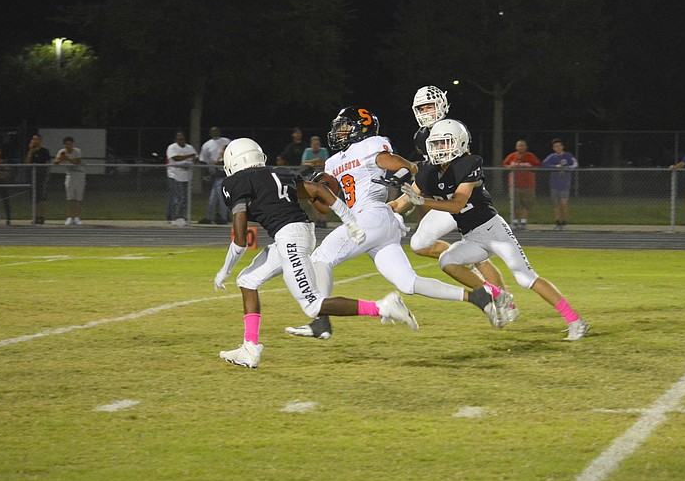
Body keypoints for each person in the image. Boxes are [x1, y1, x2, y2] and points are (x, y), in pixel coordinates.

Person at [284, 106, 508, 341]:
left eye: (345, 127)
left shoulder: (370, 145)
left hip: (370, 216)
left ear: (362, 128)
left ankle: (321, 322)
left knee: (321, 258)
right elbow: (335, 196)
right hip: (378, 225)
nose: (339, 132)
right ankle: (478, 298)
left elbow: (399, 164)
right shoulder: (332, 164)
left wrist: (406, 170)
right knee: (408, 282)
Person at [214, 137, 418, 368]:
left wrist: (224, 270)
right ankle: (249, 347)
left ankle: (382, 307)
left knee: (313, 305)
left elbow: (240, 242)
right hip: (299, 232)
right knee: (248, 280)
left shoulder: (235, 182)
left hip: (289, 238)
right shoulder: (278, 173)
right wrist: (349, 221)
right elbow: (319, 189)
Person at [395, 119, 590, 340]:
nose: (440, 149)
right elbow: (401, 202)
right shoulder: (429, 172)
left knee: (525, 277)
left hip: (493, 231)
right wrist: (377, 212)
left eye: (445, 143)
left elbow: (457, 204)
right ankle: (498, 295)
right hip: (471, 237)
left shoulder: (469, 163)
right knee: (447, 261)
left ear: (459, 143)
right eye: (436, 144)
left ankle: (576, 320)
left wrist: (422, 202)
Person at [405, 86, 517, 321]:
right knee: (419, 244)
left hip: (461, 199)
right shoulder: (420, 136)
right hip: (441, 199)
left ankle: (504, 298)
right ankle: (472, 264)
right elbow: (429, 169)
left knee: (474, 252)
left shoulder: (453, 128)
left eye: (430, 106)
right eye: (421, 107)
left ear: (442, 106)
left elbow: (461, 169)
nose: (426, 111)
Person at [502, 139, 542, 230]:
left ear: (526, 147)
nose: (521, 147)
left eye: (523, 145)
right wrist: (510, 166)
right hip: (514, 184)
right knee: (515, 204)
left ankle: (523, 221)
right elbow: (505, 164)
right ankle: (515, 221)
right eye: (519, 145)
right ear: (516, 147)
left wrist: (530, 166)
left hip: (528, 185)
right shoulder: (512, 156)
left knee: (526, 204)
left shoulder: (530, 156)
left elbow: (538, 165)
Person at [542, 138, 578, 230]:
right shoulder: (552, 156)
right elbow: (544, 164)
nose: (557, 148)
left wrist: (565, 168)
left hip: (565, 184)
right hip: (554, 184)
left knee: (564, 203)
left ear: (562, 146)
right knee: (556, 203)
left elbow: (574, 164)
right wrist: (555, 167)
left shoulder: (568, 156)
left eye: (559, 146)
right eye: (555, 146)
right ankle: (557, 222)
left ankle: (564, 221)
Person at [198, 126, 231, 225]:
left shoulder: (226, 142)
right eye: (213, 131)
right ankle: (210, 217)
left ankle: (223, 217)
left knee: (221, 198)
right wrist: (206, 173)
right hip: (216, 177)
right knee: (213, 198)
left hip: (224, 177)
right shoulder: (207, 145)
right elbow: (203, 161)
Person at [165, 131, 197, 226]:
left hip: (186, 177)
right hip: (174, 175)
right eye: (179, 139)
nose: (181, 140)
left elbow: (195, 157)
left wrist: (193, 158)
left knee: (184, 198)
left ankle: (180, 216)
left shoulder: (189, 147)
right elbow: (175, 158)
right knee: (178, 197)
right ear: (175, 140)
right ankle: (176, 217)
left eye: (182, 139)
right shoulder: (172, 147)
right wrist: (188, 156)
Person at [53, 136, 85, 225]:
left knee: (78, 197)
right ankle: (69, 217)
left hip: (79, 174)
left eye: (70, 144)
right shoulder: (62, 152)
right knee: (70, 197)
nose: (68, 146)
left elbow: (77, 162)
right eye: (67, 144)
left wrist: (68, 159)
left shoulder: (77, 151)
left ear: (72, 144)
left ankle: (77, 217)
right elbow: (55, 162)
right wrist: (61, 159)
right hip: (70, 174)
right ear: (64, 145)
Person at [300, 135, 330, 227]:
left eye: (317, 144)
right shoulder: (307, 151)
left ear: (319, 144)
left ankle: (323, 220)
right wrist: (316, 160)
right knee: (312, 199)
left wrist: (312, 163)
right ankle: (319, 219)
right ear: (311, 144)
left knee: (323, 199)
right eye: (314, 144)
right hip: (311, 178)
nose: (315, 146)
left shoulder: (323, 150)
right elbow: (303, 163)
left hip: (322, 178)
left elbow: (325, 162)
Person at [25, 134, 50, 224]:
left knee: (42, 198)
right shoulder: (31, 151)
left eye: (36, 139)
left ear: (40, 140)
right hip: (32, 178)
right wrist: (30, 150)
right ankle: (34, 216)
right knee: (34, 198)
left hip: (41, 177)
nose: (34, 141)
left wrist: (47, 176)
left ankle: (41, 216)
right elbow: (27, 162)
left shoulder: (45, 151)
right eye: (33, 139)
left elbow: (47, 164)